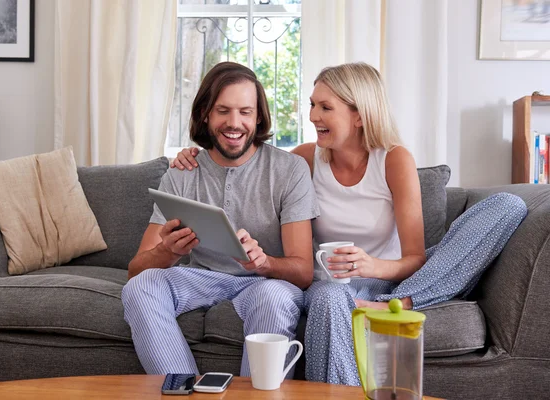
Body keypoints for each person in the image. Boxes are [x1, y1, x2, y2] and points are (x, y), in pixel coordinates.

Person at [171, 62, 528, 385]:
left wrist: (372, 265)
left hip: (388, 278)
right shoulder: (305, 159)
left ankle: (402, 302)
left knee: (507, 205)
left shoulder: (393, 159)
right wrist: (198, 156)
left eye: (326, 107)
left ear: (359, 115)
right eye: (312, 104)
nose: (313, 116)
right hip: (331, 285)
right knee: (328, 298)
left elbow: (415, 258)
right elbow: (251, 161)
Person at [121, 61, 319, 377]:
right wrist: (169, 252)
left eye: (245, 111)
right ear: (206, 114)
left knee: (273, 297)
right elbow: (135, 270)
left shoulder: (289, 170)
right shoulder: (182, 173)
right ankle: (183, 390)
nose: (234, 122)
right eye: (223, 110)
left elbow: (304, 271)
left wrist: (265, 263)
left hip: (265, 282)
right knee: (141, 287)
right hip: (202, 279)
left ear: (258, 117)